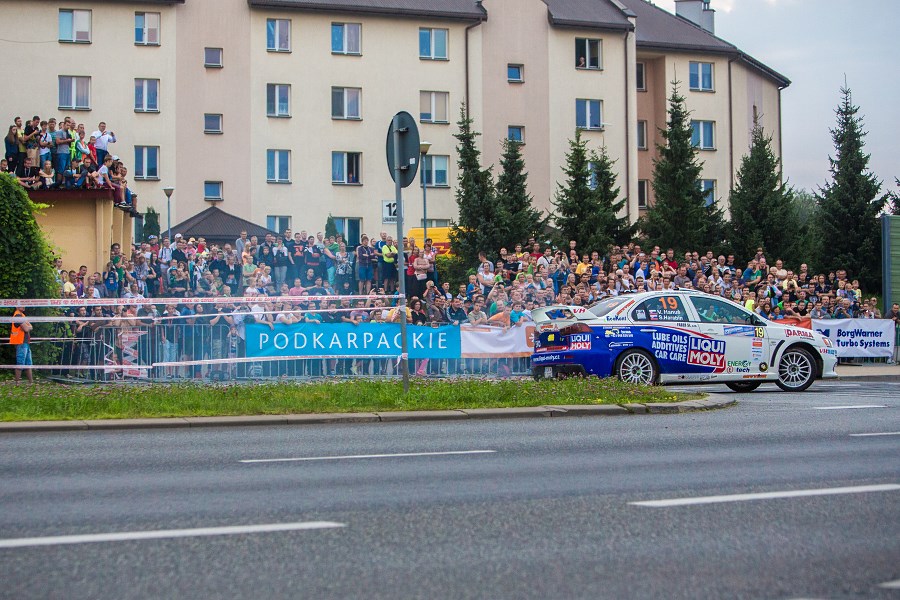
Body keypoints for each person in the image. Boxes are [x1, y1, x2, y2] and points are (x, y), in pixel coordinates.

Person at [10, 306, 33, 384]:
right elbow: (27, 328)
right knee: (20, 363)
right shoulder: (17, 316)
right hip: (20, 342)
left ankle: (31, 383)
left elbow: (30, 327)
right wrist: (29, 327)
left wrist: (28, 327)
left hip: (25, 342)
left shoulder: (22, 316)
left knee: (28, 363)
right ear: (17, 306)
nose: (24, 306)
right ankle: (17, 383)